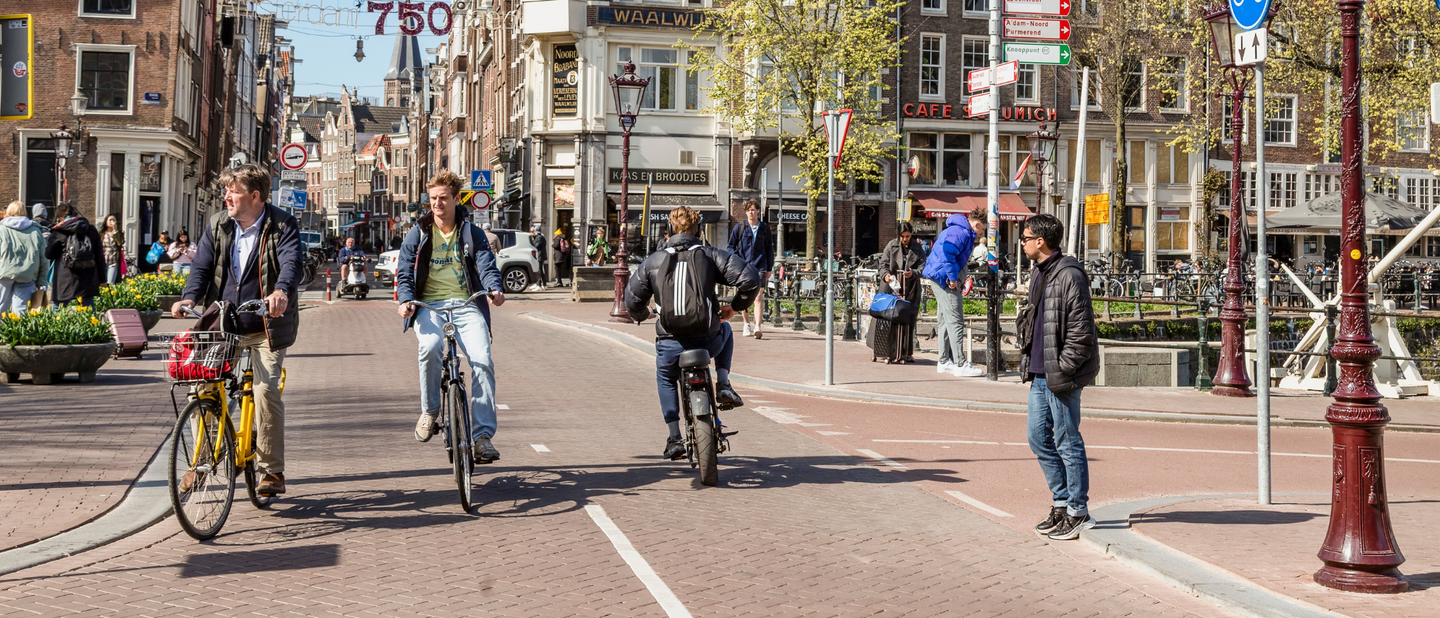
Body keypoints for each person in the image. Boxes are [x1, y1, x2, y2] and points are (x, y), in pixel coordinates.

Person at [171, 164, 303, 497]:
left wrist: (281, 292)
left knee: (265, 390)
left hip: (266, 326)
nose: (227, 196)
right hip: (225, 323)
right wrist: (188, 297)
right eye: (226, 190)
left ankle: (272, 471)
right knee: (201, 390)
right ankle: (201, 461)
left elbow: (291, 263)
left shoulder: (283, 225)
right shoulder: (218, 225)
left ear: (255, 196)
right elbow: (201, 266)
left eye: (234, 190)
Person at [624, 207, 761, 460]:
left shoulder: (653, 261)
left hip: (670, 343)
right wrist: (735, 306)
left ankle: (674, 437)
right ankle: (723, 384)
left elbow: (631, 301)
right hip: (708, 341)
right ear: (699, 231)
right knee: (727, 329)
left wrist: (645, 315)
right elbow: (750, 278)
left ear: (668, 232)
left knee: (666, 377)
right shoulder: (710, 255)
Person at [397, 170, 506, 464]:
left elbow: (486, 266)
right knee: (430, 347)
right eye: (432, 199)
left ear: (456, 199)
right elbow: (404, 271)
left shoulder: (472, 233)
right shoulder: (418, 232)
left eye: (443, 198)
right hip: (429, 305)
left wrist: (494, 289)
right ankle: (430, 411)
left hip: (466, 304)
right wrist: (406, 301)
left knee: (482, 360)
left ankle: (482, 437)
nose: (437, 204)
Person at [1017, 213, 1100, 541]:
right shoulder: (1039, 273)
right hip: (1038, 372)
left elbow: (1082, 332)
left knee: (1068, 440)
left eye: (1025, 238)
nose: (1022, 243)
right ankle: (1062, 502)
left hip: (1059, 374)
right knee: (1038, 438)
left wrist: (1064, 368)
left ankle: (1079, 511)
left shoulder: (1069, 275)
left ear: (1040, 241)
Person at [921, 213, 984, 377]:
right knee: (956, 320)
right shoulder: (961, 232)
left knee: (945, 320)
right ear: (977, 225)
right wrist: (953, 278)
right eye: (982, 230)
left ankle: (943, 361)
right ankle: (960, 364)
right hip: (945, 280)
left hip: (938, 277)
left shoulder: (959, 230)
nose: (982, 234)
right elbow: (948, 253)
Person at [876, 221, 925, 363]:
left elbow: (923, 266)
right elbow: (883, 264)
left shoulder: (917, 248)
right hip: (892, 288)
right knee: (891, 318)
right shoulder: (891, 246)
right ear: (898, 236)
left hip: (910, 289)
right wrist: (886, 275)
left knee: (909, 320)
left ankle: (906, 352)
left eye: (908, 236)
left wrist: (914, 273)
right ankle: (889, 350)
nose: (905, 239)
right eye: (903, 236)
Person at [727, 199, 774, 340]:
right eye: (748, 210)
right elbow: (730, 247)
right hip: (744, 267)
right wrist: (736, 260)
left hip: (760, 266)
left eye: (753, 210)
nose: (751, 213)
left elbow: (769, 250)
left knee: (758, 297)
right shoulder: (739, 228)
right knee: (746, 296)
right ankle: (746, 323)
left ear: (758, 211)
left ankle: (758, 327)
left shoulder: (765, 229)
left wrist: (769, 268)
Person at [44, 202, 103, 307]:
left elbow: (49, 254)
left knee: (60, 308)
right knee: (88, 307)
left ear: (60, 216)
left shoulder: (59, 231)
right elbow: (99, 255)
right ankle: (91, 323)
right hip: (87, 273)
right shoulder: (91, 230)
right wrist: (103, 279)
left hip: (64, 275)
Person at [1, 201, 49, 313]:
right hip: (28, 274)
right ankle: (17, 329)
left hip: (4, 273)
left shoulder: (1, 229)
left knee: (1, 306)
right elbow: (44, 258)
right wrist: (42, 280)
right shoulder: (36, 231)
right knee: (21, 308)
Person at [100, 215, 125, 284]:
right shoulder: (101, 234)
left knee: (110, 283)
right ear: (106, 222)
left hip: (113, 261)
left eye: (114, 220)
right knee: (102, 283)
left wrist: (115, 231)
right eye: (110, 220)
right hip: (103, 261)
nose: (112, 222)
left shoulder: (119, 233)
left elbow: (120, 243)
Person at [530, 223, 548, 290]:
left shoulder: (539, 237)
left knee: (539, 270)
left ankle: (539, 285)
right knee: (540, 270)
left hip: (540, 256)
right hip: (541, 255)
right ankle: (543, 284)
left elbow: (536, 246)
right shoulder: (541, 237)